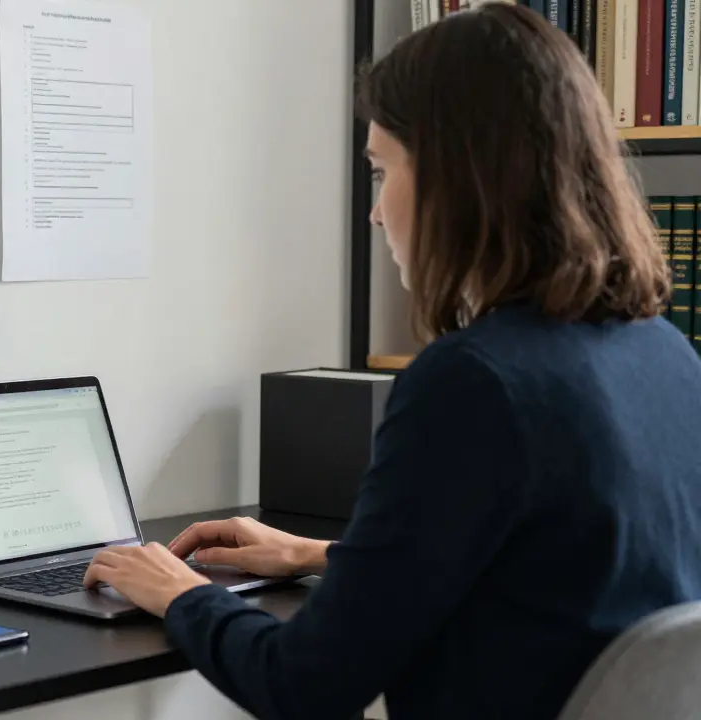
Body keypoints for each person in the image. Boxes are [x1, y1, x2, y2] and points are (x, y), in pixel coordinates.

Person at [81, 5, 701, 720]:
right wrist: (324, 556)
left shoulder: (472, 384)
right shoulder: (665, 353)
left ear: (458, 180)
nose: (375, 213)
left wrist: (180, 592)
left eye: (381, 172)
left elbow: (304, 685)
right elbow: (551, 575)